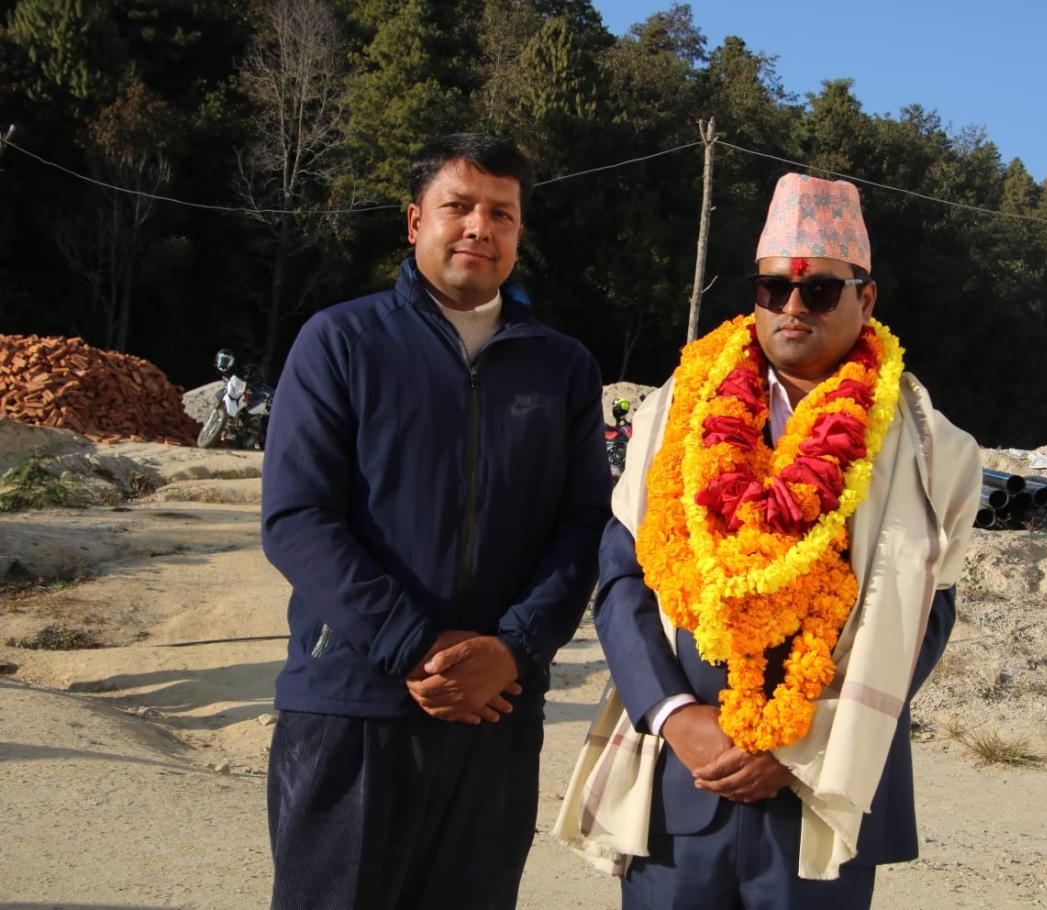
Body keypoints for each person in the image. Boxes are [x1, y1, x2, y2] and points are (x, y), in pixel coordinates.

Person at [555, 173, 980, 908]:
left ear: (866, 300)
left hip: (822, 782)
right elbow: (624, 579)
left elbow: (924, 615)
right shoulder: (673, 415)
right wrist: (674, 715)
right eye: (773, 288)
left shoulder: (928, 447)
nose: (792, 306)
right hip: (682, 780)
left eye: (819, 290)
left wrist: (799, 744)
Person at [261, 133, 611, 909]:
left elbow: (584, 524)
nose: (479, 227)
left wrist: (514, 649)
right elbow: (297, 517)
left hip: (496, 710)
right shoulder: (342, 342)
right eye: (458, 206)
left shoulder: (561, 367)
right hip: (353, 702)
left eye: (501, 214)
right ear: (415, 221)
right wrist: (414, 645)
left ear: (518, 233)